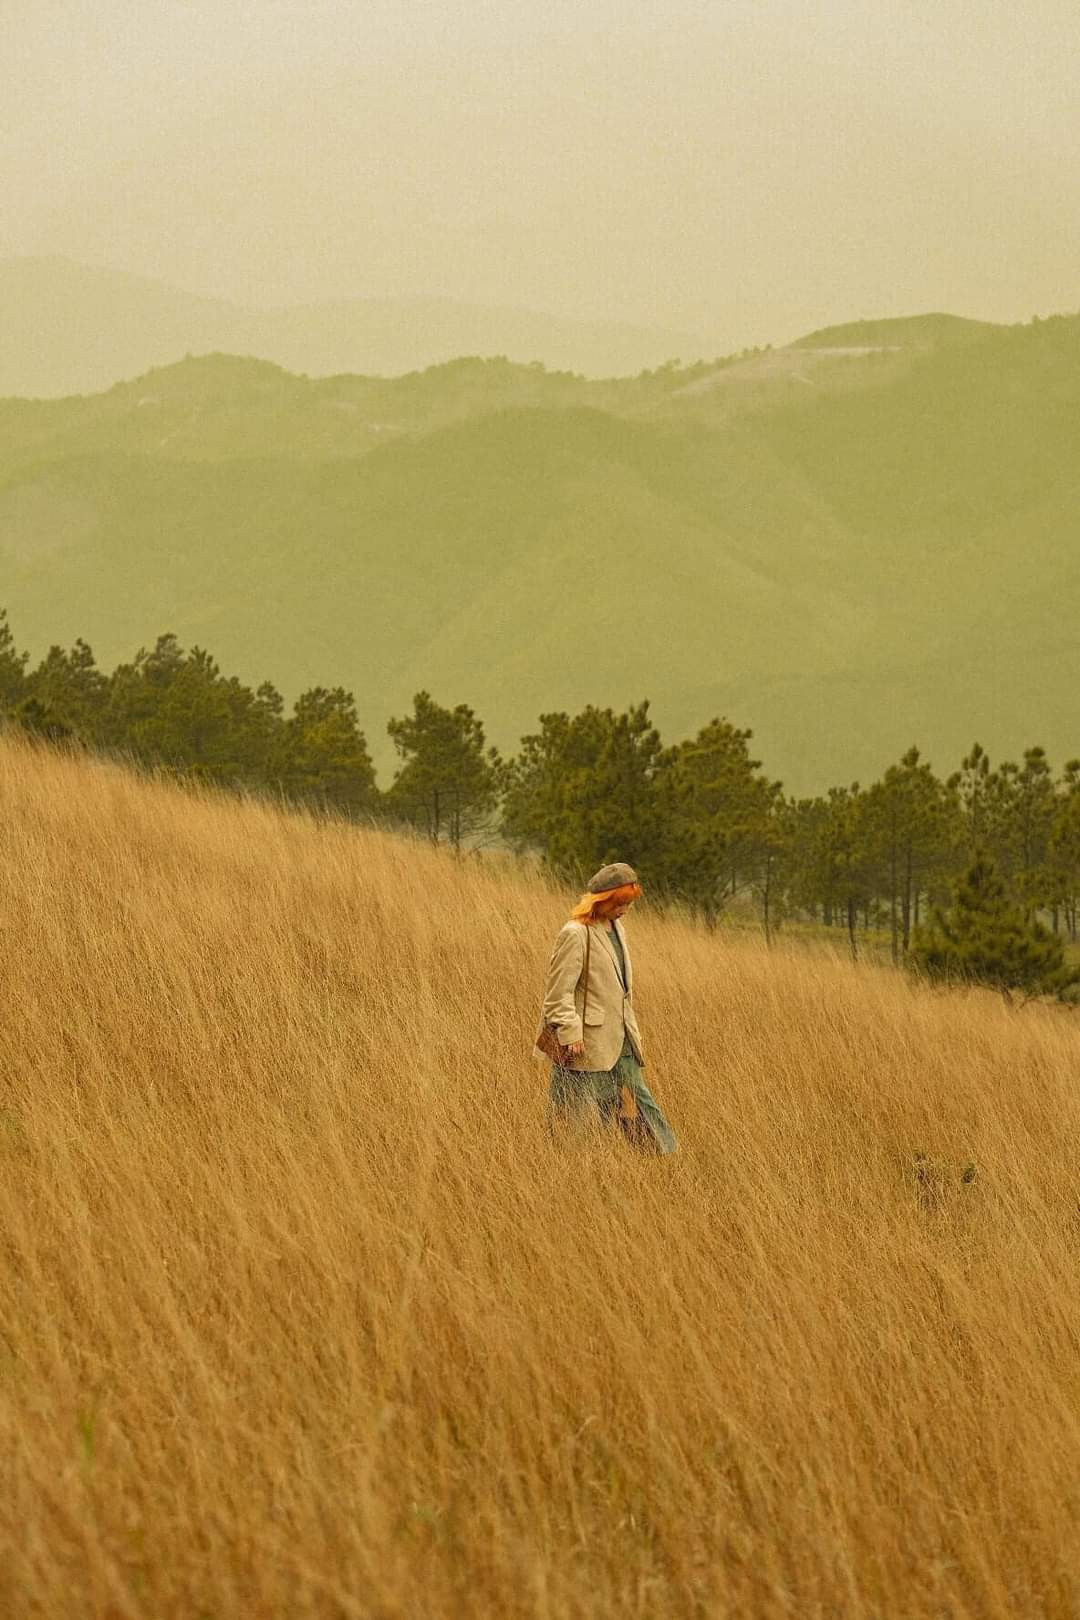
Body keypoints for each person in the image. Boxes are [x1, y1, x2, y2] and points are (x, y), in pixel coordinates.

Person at [535, 861, 677, 1153]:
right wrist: (571, 1033)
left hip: (622, 1038)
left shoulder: (617, 928)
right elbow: (557, 994)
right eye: (619, 903)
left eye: (629, 903)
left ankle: (662, 1159)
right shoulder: (575, 933)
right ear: (601, 900)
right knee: (583, 1115)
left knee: (641, 1104)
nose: (624, 910)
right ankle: (578, 1165)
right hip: (587, 1044)